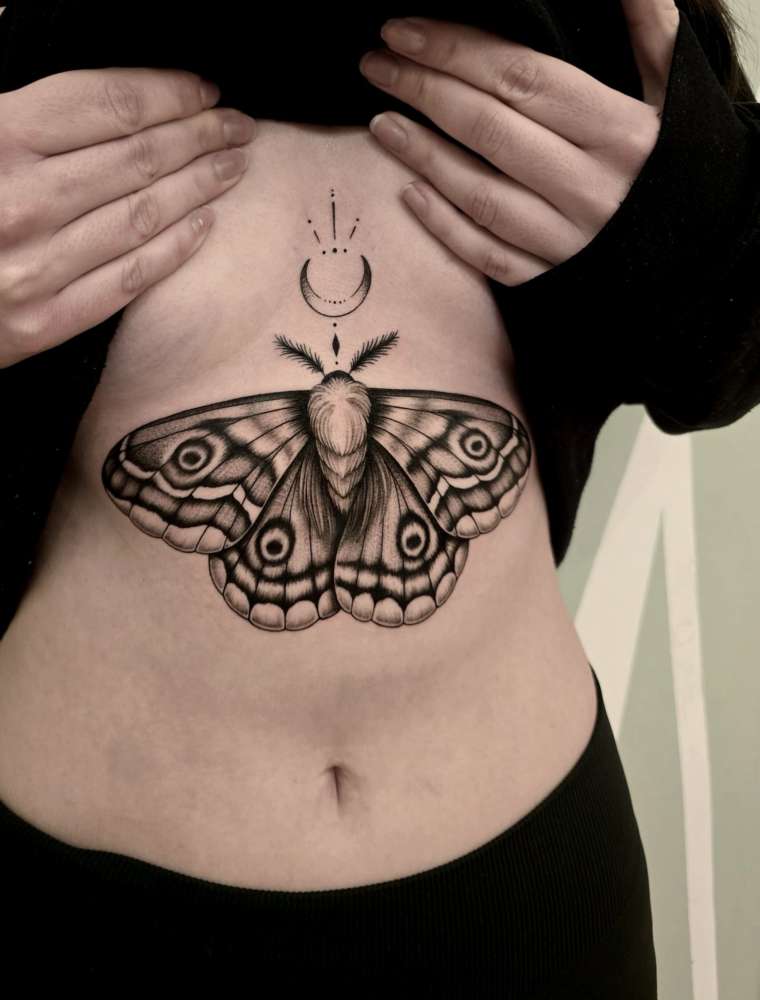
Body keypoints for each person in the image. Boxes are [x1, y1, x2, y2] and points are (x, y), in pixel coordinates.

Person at [0, 1, 757, 994]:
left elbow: (722, 357)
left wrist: (707, 223)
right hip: (81, 913)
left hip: (526, 909)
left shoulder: (596, 8)